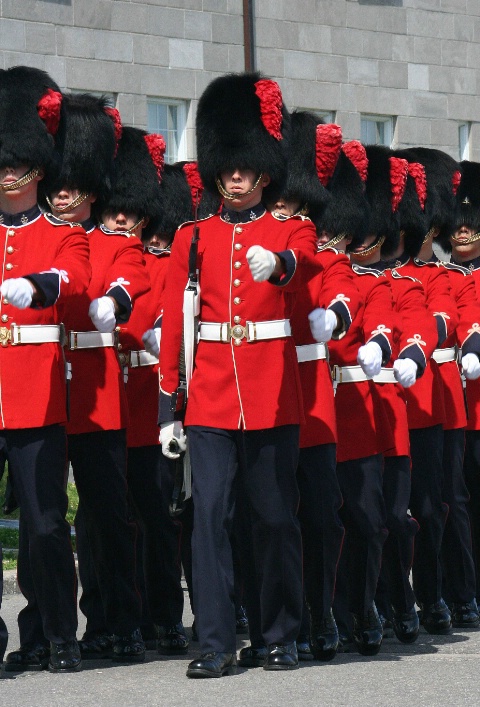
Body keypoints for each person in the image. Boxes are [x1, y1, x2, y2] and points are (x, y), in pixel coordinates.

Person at [158, 72, 318, 678]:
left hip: (271, 390)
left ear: (263, 169)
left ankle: (279, 632)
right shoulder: (192, 238)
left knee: (275, 518)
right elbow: (177, 325)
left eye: (245, 167)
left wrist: (275, 263)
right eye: (227, 165)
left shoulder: (290, 230)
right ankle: (217, 641)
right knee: (209, 521)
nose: (235, 176)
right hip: (210, 396)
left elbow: (299, 268)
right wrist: (168, 404)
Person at [44, 101, 152, 663]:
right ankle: (45, 626)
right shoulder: (35, 238)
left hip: (97, 393)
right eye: (56, 187)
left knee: (107, 515)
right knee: (45, 517)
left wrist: (116, 300)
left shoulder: (116, 243)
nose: (62, 196)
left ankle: (118, 620)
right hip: (40, 388)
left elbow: (132, 279)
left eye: (72, 187)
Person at [0, 66, 91, 673]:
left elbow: (75, 279)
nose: (9, 170)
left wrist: (37, 285)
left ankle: (58, 633)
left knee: (46, 526)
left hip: (34, 397)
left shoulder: (62, 235)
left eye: (19, 160)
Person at [441, 160, 480, 620]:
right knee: (456, 500)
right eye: (457, 223)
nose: (463, 231)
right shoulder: (442, 277)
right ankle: (461, 587)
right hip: (455, 405)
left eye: (471, 222)